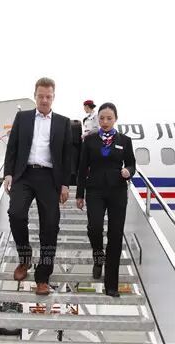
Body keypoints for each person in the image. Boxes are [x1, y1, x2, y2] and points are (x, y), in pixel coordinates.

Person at [3, 77, 72, 296]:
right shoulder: (22, 117)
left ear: (53, 97)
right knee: (15, 214)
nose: (44, 100)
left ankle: (43, 277)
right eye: (41, 96)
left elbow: (67, 156)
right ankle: (25, 258)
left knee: (50, 227)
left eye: (48, 96)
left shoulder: (63, 122)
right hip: (24, 175)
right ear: (35, 95)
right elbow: (12, 147)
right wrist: (8, 173)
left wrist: (65, 184)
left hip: (49, 177)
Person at [76, 102, 135, 297]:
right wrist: (80, 194)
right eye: (102, 118)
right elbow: (82, 168)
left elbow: (132, 164)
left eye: (109, 118)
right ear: (98, 119)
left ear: (115, 119)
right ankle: (98, 256)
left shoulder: (125, 141)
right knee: (94, 227)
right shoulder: (90, 140)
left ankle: (111, 285)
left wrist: (128, 171)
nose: (105, 121)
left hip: (117, 191)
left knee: (115, 235)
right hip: (95, 191)